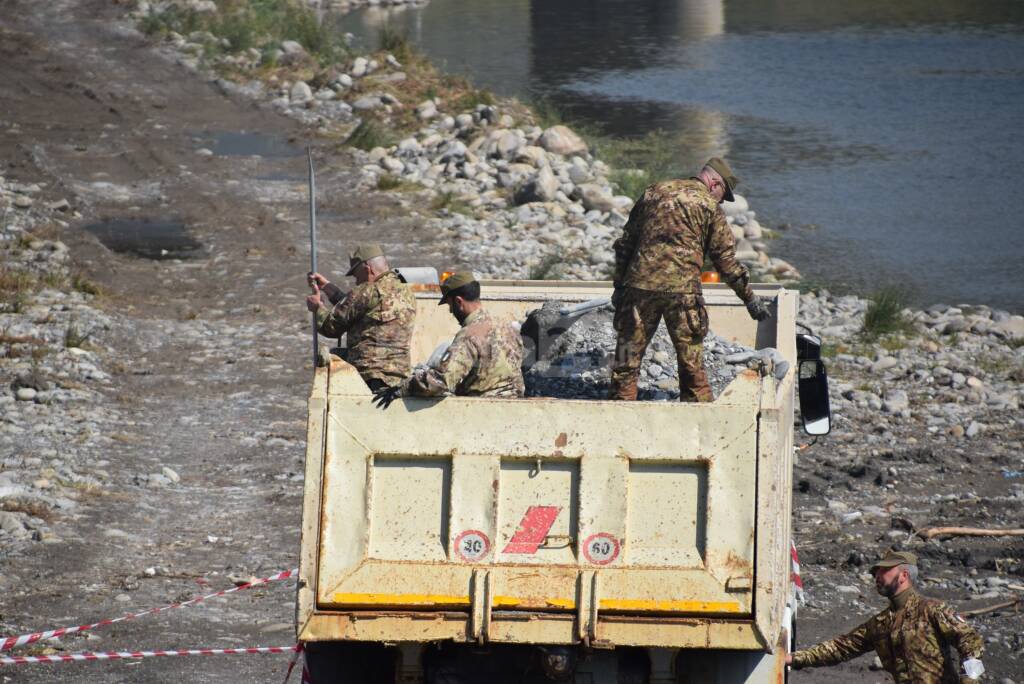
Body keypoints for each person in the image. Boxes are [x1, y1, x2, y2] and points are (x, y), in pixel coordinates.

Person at [609, 157, 771, 402]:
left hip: (639, 287)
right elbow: (725, 261)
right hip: (683, 294)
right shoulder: (708, 206)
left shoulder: (653, 192)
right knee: (691, 365)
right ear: (715, 183)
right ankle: (700, 422)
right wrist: (750, 299)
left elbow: (625, 244)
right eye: (723, 195)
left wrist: (619, 285)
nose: (721, 201)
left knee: (625, 362)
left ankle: (618, 417)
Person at [789, 550, 985, 683]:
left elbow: (971, 641)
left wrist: (969, 679)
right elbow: (840, 648)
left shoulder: (932, 610)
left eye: (884, 570)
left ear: (904, 575)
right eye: (876, 572)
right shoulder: (881, 624)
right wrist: (792, 658)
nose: (877, 576)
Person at [373, 271, 524, 408]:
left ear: (459, 302)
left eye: (450, 305)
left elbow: (441, 382)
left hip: (482, 411)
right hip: (515, 408)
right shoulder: (509, 328)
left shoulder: (469, 334)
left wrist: (402, 389)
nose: (451, 311)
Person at [305, 244, 415, 392]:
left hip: (368, 376)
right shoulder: (406, 291)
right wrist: (327, 287)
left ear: (367, 268)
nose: (356, 281)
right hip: (398, 378)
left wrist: (317, 308)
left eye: (357, 275)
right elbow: (358, 309)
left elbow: (331, 327)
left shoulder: (367, 290)